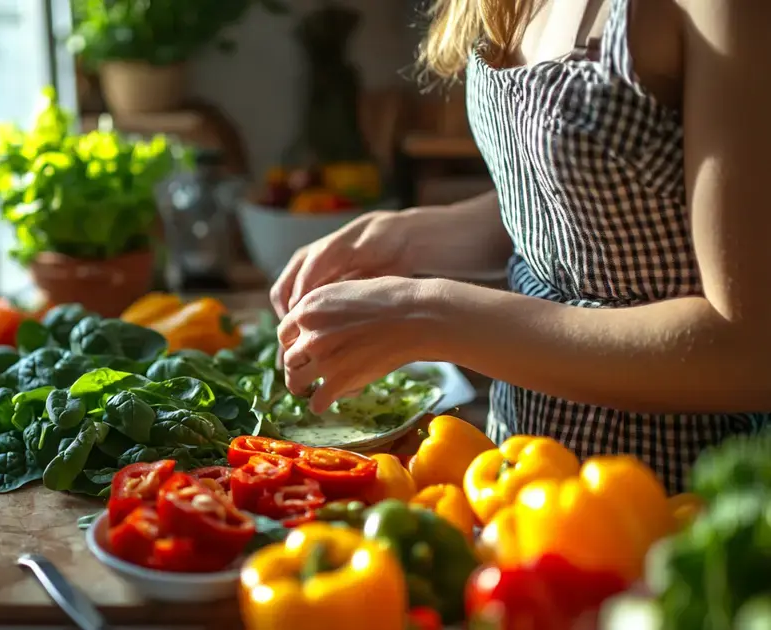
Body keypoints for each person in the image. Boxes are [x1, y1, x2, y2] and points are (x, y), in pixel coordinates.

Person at [272, 0, 770, 494]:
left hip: (671, 495)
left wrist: (428, 317)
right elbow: (585, 204)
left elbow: (751, 354)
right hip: (517, 473)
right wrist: (407, 237)